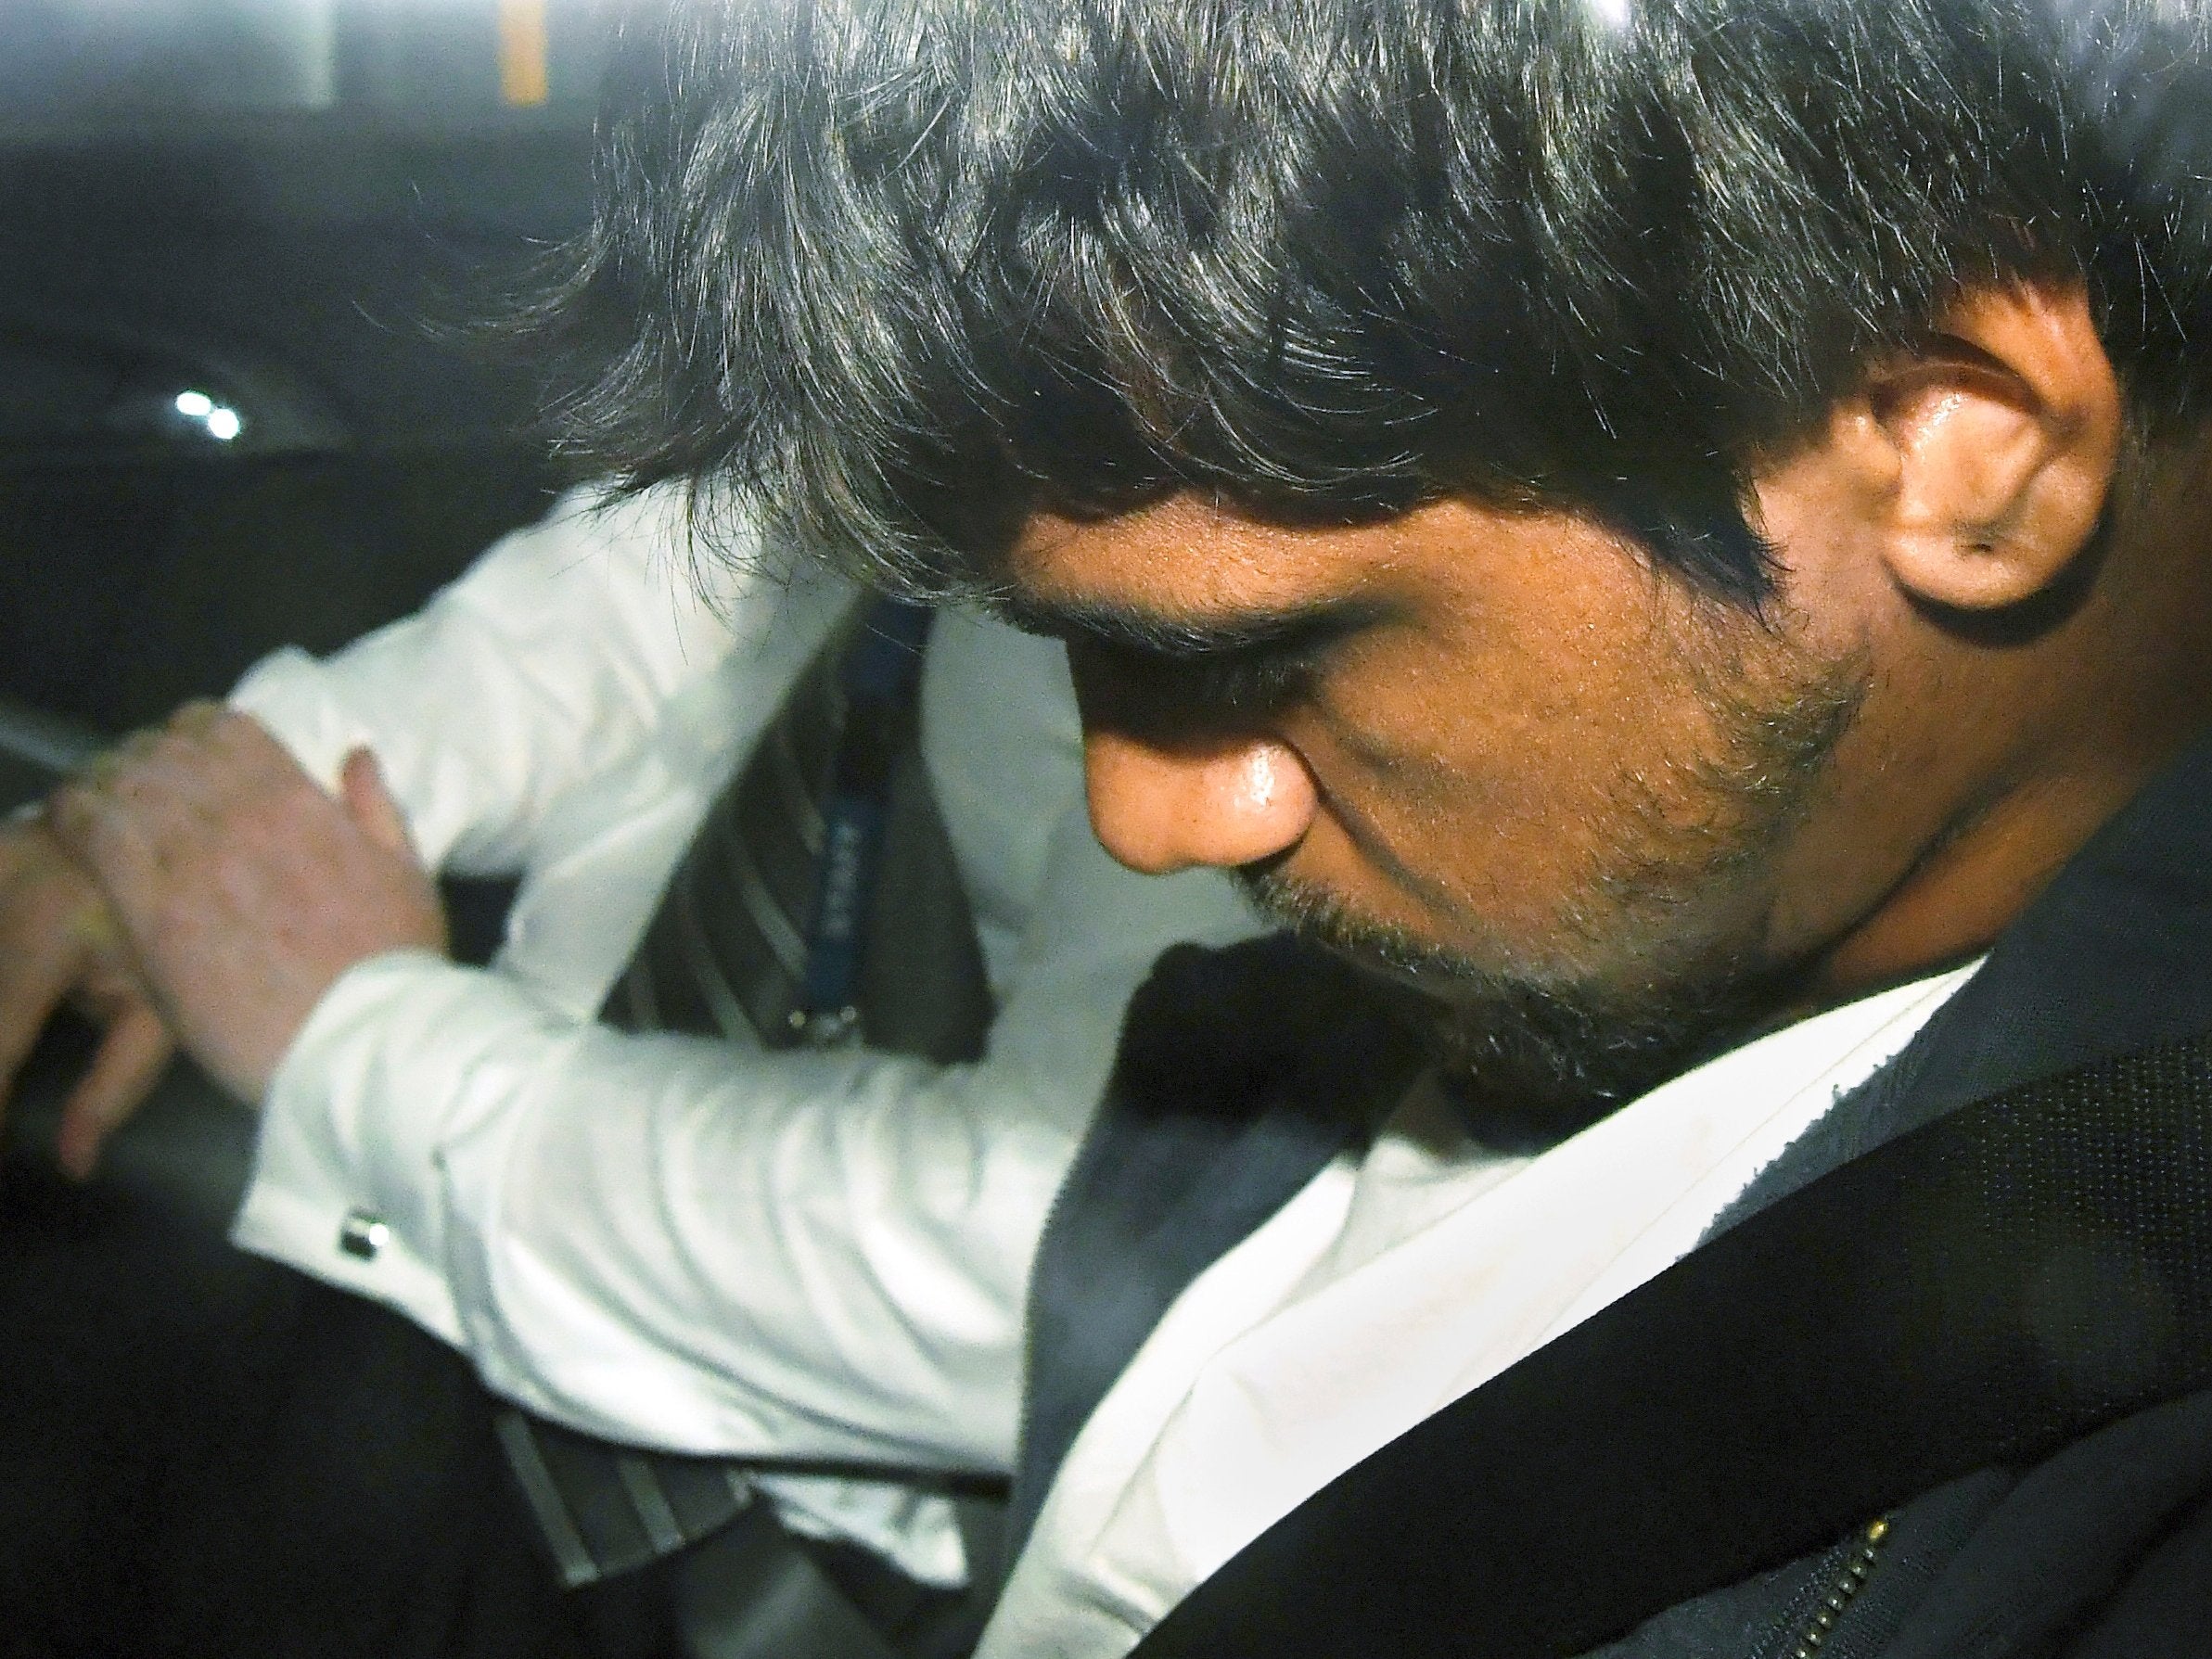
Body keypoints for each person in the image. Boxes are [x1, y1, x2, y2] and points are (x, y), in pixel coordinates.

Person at [225, 0, 2212, 1653]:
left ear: (1960, 453)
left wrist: (372, 1055)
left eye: (1246, 657)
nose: (1147, 811)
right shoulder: (1571, 876)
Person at [0, 479, 1255, 1655]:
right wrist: (189, 837)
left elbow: (1040, 1264)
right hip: (440, 1209)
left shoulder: (1252, 562)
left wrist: (358, 1036)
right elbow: (699, 554)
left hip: (739, 1529)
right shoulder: (980, 332)